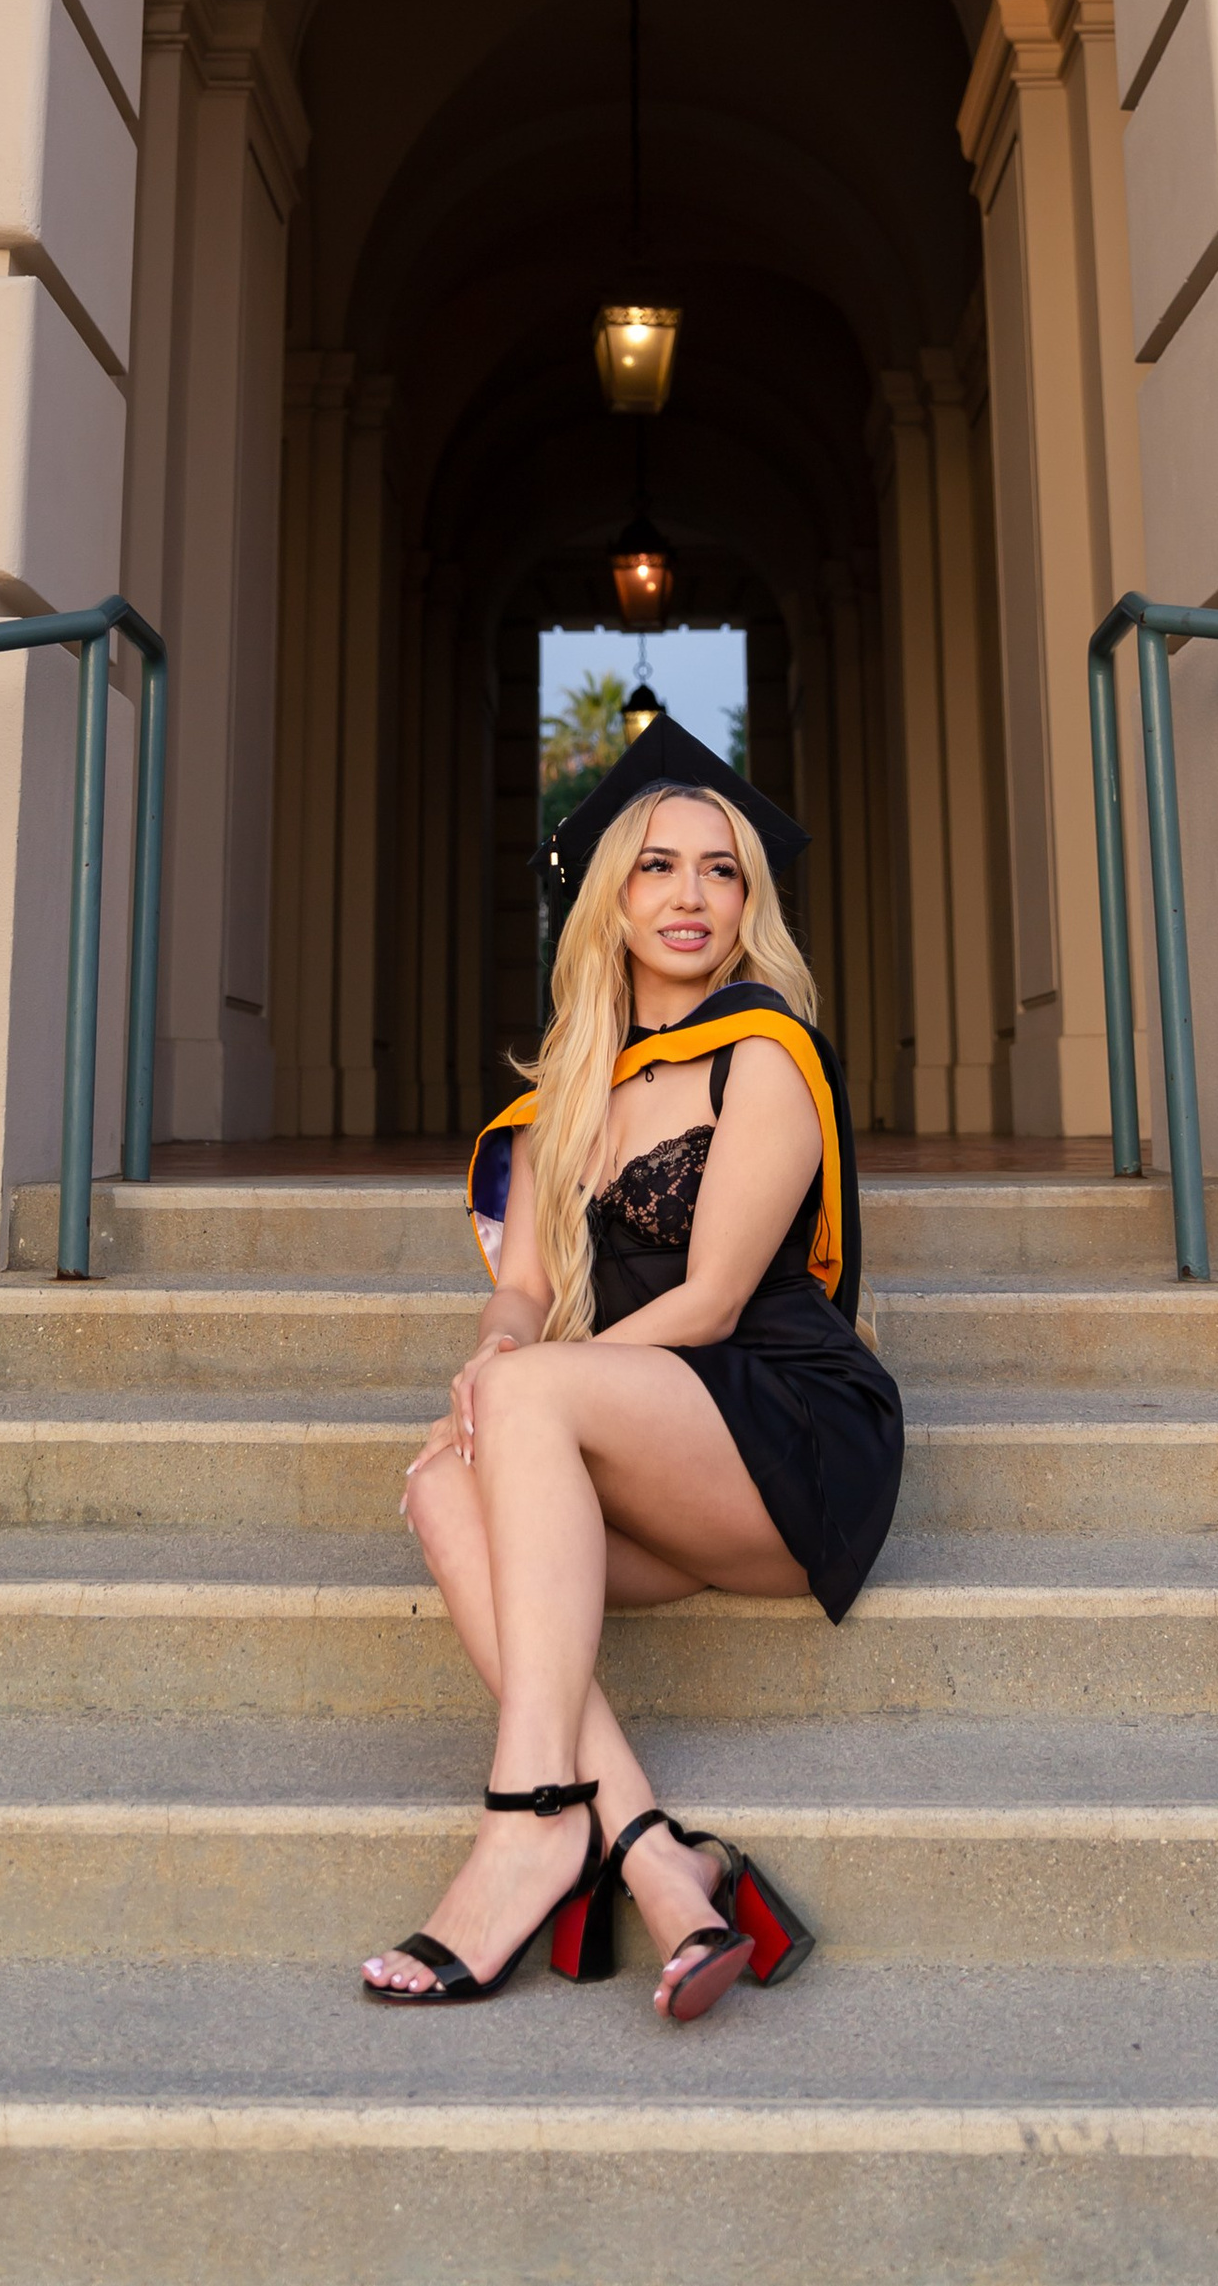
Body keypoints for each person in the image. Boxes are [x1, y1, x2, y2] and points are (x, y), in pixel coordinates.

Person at [362, 712, 904, 2020]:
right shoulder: (567, 1092)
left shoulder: (761, 1049)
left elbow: (714, 1297)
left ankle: (527, 1818)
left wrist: (524, 1387)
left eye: (721, 870)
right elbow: (525, 1289)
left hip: (786, 1431)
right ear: (609, 897)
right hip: (656, 1441)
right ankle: (654, 1850)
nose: (690, 894)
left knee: (522, 1398)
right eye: (658, 865)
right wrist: (495, 1357)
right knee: (442, 1485)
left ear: (747, 903)